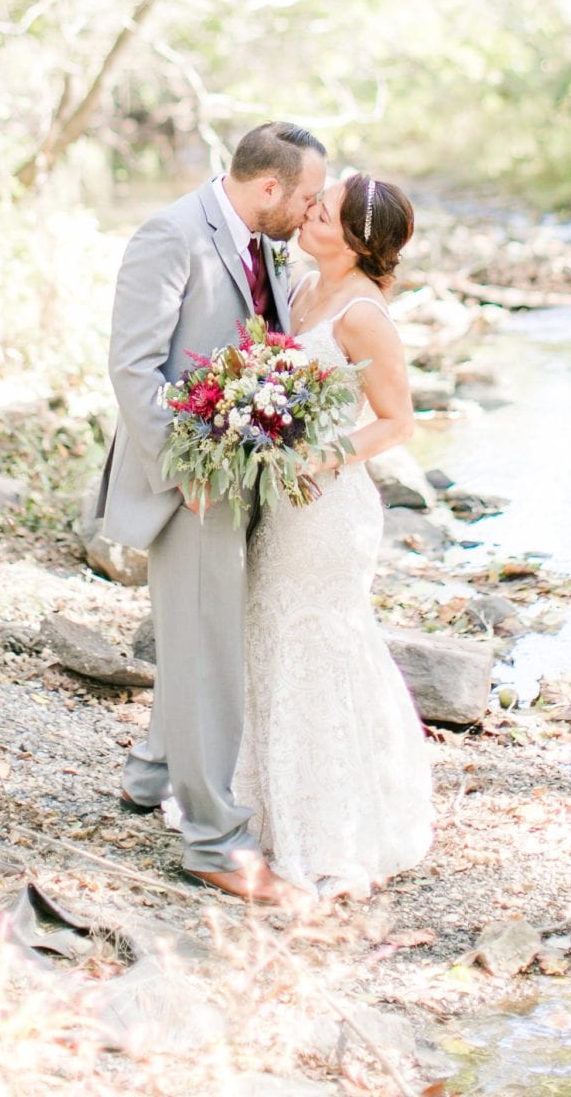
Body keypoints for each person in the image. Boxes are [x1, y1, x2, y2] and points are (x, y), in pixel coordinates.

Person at [95, 121, 326, 900]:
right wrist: (183, 468)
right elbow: (133, 368)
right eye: (308, 197)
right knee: (206, 653)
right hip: (192, 484)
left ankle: (151, 773)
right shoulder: (171, 238)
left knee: (200, 641)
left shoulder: (264, 243)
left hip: (241, 476)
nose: (311, 212)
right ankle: (214, 844)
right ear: (269, 189)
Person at [235, 173, 434, 899]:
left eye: (322, 210)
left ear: (354, 239)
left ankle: (332, 829)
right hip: (278, 497)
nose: (308, 211)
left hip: (326, 506)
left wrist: (319, 456)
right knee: (270, 635)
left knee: (315, 644)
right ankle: (266, 808)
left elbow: (396, 422)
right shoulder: (300, 284)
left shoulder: (361, 314)